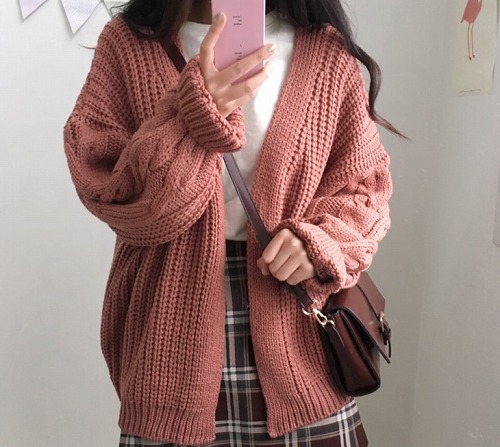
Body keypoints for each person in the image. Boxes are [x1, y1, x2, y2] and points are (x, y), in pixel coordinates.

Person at [64, 0, 399, 446]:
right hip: (167, 343)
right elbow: (108, 187)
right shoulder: (128, 45)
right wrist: (193, 116)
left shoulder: (322, 50)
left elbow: (365, 187)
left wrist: (320, 241)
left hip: (299, 340)